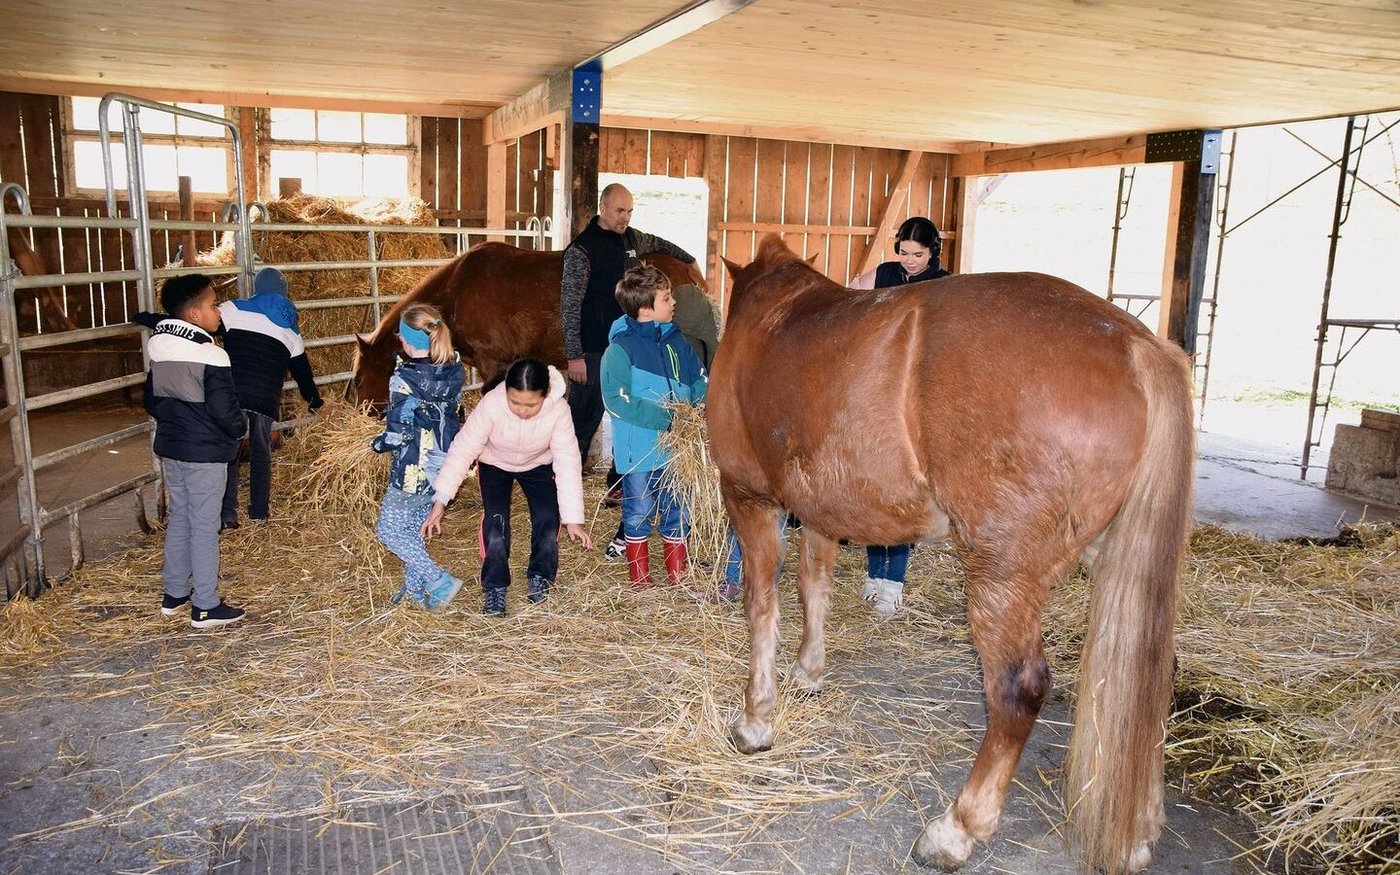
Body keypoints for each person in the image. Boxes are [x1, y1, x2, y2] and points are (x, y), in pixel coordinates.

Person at [559, 183, 698, 558]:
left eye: (630, 211)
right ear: (602, 207)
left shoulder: (633, 238)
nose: (625, 218)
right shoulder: (581, 251)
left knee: (634, 426)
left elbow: (664, 244)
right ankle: (566, 510)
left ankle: (621, 491)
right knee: (581, 427)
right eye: (619, 211)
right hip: (593, 349)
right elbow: (570, 306)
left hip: (632, 346)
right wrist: (574, 355)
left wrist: (691, 262)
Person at [422, 358, 593, 617]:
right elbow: (463, 450)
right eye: (515, 402)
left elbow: (568, 462)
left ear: (545, 396)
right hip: (495, 463)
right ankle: (495, 586)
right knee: (496, 521)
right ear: (505, 392)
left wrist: (573, 520)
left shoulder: (558, 410)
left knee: (548, 516)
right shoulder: (492, 404)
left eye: (531, 404)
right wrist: (440, 500)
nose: (522, 410)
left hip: (537, 463)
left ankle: (541, 576)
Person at [848, 216, 951, 616]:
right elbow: (848, 301)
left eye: (918, 254)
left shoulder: (945, 284)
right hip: (878, 388)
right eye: (904, 253)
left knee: (905, 491)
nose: (909, 261)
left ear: (933, 253)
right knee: (877, 488)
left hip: (920, 391)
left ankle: (894, 584)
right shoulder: (884, 274)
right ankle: (874, 575)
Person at [143, 274, 248, 629]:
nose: (218, 311)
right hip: (205, 453)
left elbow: (151, 400)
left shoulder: (158, 347)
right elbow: (225, 410)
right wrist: (240, 430)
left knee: (181, 519)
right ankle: (205, 605)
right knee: (205, 527)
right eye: (212, 304)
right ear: (192, 314)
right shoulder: (211, 355)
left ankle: (174, 594)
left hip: (172, 446)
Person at [601, 265, 708, 587]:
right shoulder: (620, 350)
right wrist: (670, 418)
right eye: (667, 297)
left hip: (677, 450)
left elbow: (698, 377)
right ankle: (641, 578)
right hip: (642, 451)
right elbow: (617, 401)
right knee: (639, 512)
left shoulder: (677, 341)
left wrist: (700, 403)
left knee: (679, 511)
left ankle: (677, 574)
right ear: (646, 309)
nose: (673, 302)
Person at [370, 303, 466, 612]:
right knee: (412, 528)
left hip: (412, 468)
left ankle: (438, 579)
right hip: (443, 463)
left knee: (388, 530)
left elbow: (397, 431)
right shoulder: (455, 369)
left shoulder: (403, 377)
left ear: (408, 341)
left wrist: (377, 444)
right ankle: (413, 589)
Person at [217, 267, 323, 530]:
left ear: (257, 288)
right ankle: (259, 512)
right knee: (261, 451)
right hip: (265, 398)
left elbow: (200, 324)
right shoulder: (291, 330)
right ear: (284, 293)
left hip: (234, 392)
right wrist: (314, 402)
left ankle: (228, 513)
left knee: (230, 449)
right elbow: (303, 374)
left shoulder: (232, 309)